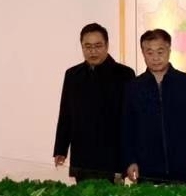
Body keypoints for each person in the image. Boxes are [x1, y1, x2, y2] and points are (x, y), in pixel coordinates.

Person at [121, 29, 186, 185]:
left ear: (169, 50)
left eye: (160, 52)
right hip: (147, 169)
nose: (155, 58)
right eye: (149, 53)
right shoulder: (133, 87)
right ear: (143, 53)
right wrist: (130, 160)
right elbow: (127, 128)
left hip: (184, 167)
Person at [53, 23, 135, 183]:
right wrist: (60, 149)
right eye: (88, 46)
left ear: (107, 45)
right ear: (82, 47)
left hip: (113, 156)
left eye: (98, 46)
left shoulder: (124, 74)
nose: (93, 51)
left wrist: (132, 157)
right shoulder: (73, 75)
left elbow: (132, 119)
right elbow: (66, 114)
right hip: (82, 154)